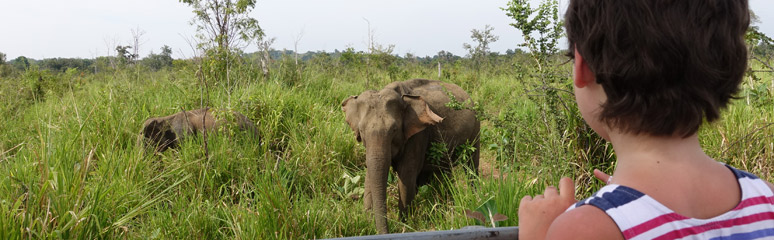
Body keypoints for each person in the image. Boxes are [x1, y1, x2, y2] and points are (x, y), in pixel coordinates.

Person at [517, 0, 774, 239]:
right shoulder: (766, 198)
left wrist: (540, 234)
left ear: (583, 66)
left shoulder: (583, 229)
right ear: (729, 62)